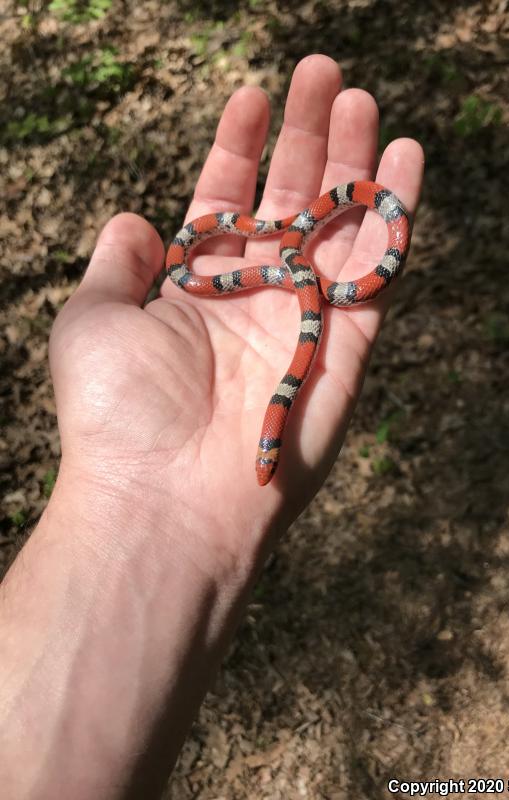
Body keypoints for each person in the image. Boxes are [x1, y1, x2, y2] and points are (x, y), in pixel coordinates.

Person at [0, 54, 424, 798]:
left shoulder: (295, 320)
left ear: (276, 427)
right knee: (269, 279)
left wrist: (292, 250)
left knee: (297, 272)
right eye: (269, 454)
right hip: (266, 262)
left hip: (287, 253)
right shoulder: (265, 293)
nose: (270, 462)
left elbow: (298, 278)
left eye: (269, 454)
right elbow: (219, 269)